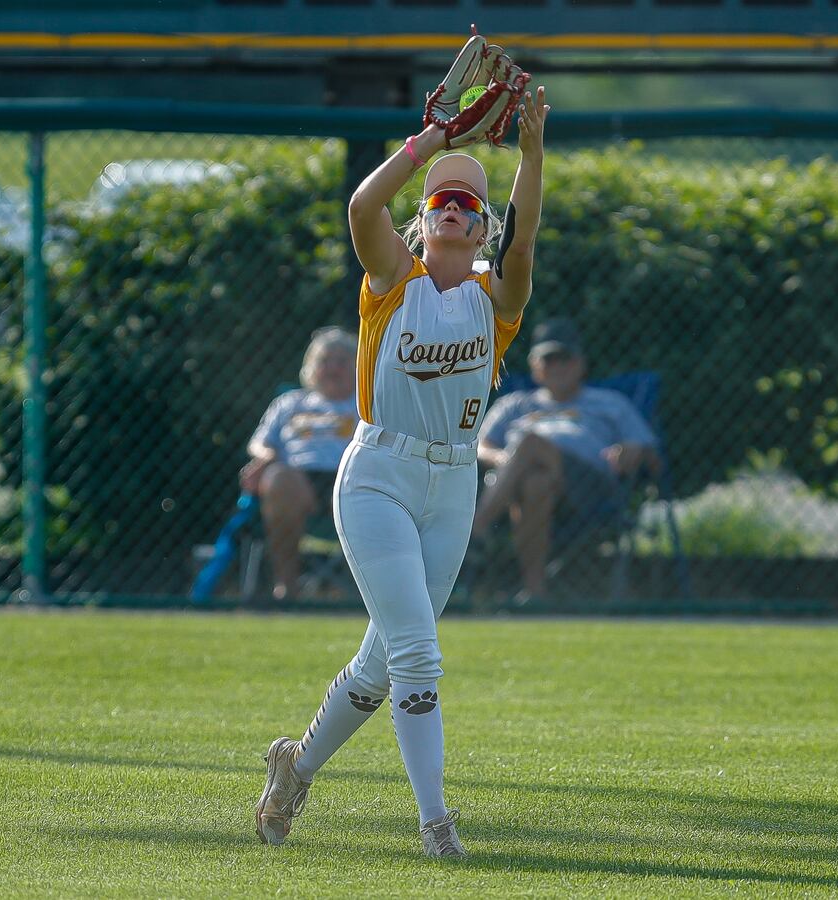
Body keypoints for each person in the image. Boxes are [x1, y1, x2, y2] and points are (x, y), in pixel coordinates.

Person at [254, 71, 549, 859]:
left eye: (468, 205)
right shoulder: (394, 282)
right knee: (420, 652)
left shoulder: (496, 300)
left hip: (453, 485)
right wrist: (431, 145)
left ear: (480, 228)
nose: (453, 207)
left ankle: (295, 767)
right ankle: (435, 824)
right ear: (422, 221)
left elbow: (524, 241)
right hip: (379, 475)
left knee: (384, 661)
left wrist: (531, 147)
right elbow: (360, 208)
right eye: (440, 201)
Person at [471, 318, 660, 599]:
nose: (558, 366)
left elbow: (651, 457)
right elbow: (480, 448)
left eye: (565, 358)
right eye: (549, 360)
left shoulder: (609, 403)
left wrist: (631, 452)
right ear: (535, 366)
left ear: (581, 364)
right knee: (537, 482)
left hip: (591, 487)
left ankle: (474, 531)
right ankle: (536, 592)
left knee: (530, 442)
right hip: (526, 484)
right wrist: (513, 463)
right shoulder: (514, 404)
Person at [239, 327, 359, 603]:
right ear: (311, 366)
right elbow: (259, 444)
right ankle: (286, 588)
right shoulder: (290, 404)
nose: (333, 368)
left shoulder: (368, 404)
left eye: (342, 360)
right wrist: (267, 459)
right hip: (297, 482)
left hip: (352, 480)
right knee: (279, 478)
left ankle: (377, 595)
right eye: (325, 360)